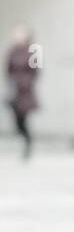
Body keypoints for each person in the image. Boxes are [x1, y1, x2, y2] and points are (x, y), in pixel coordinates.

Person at [6, 25, 39, 159]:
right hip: (15, 91)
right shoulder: (12, 51)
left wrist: (25, 82)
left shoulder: (33, 52)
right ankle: (26, 140)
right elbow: (8, 69)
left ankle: (28, 143)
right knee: (17, 122)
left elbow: (35, 72)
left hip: (25, 92)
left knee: (23, 119)